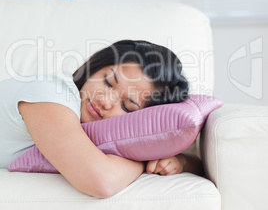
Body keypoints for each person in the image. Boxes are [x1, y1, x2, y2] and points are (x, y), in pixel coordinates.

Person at [0, 39, 204, 197]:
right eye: (107, 82)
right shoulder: (52, 94)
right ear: (96, 66)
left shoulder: (93, 128)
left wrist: (182, 162)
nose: (105, 101)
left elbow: (199, 163)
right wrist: (144, 160)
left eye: (126, 106)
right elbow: (101, 181)